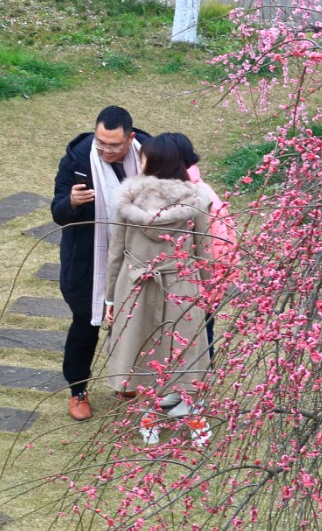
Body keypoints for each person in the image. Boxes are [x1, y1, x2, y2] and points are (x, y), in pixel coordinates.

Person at [102, 134, 214, 447]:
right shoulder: (197, 200)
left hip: (135, 284)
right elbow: (204, 250)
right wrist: (209, 290)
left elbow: (116, 252)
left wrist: (110, 297)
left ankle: (148, 419)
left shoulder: (126, 199)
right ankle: (195, 420)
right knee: (187, 352)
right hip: (182, 284)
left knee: (140, 351)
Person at [50, 106, 150, 422]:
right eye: (101, 142)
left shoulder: (150, 155)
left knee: (132, 322)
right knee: (85, 326)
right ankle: (78, 390)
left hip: (136, 258)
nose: (107, 150)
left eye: (114, 145)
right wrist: (71, 203)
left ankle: (126, 380)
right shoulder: (77, 160)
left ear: (130, 139)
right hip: (89, 260)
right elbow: (57, 212)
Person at [168, 132, 237, 358]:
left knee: (199, 345)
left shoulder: (198, 196)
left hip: (201, 288)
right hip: (199, 287)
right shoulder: (190, 189)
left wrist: (207, 292)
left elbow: (215, 248)